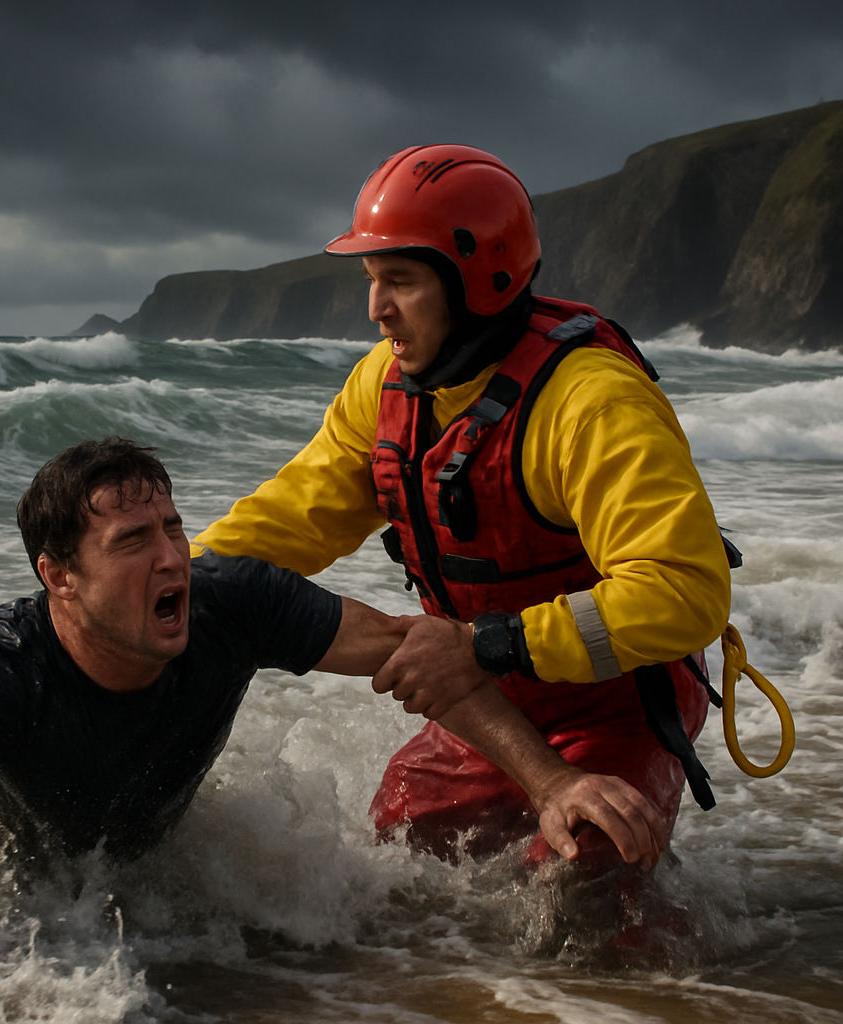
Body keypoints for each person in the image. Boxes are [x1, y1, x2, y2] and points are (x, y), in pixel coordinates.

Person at [0, 437, 645, 969]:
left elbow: (416, 654)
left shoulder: (230, 603)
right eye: (133, 542)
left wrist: (551, 785)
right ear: (58, 576)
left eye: (173, 530)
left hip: (154, 876)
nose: (171, 558)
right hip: (25, 903)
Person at [191, 144, 734, 869]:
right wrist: (164, 588)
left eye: (400, 281)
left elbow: (688, 593)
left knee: (587, 884)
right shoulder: (381, 385)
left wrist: (486, 644)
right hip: (491, 692)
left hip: (615, 705)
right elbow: (291, 517)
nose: (376, 308)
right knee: (399, 859)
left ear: (480, 280)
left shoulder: (593, 401)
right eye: (371, 280)